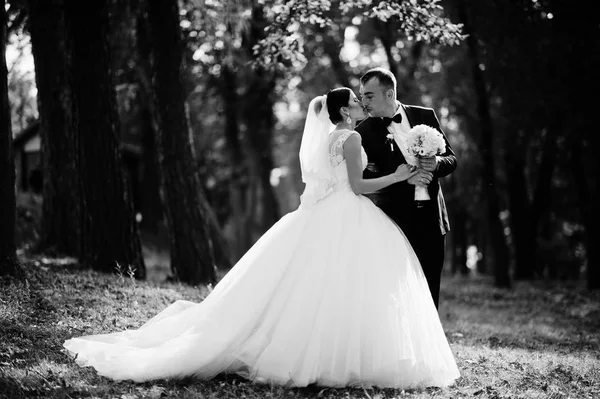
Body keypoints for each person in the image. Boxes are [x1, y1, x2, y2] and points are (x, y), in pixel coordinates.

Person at [63, 88, 460, 389]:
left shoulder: (328, 139)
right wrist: (399, 176)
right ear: (344, 111)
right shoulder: (352, 138)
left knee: (315, 284)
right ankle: (340, 355)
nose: (362, 105)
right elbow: (357, 186)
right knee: (343, 283)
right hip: (348, 211)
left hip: (324, 212)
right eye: (356, 101)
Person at [356, 68, 457, 309]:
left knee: (431, 279)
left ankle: (429, 345)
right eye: (361, 96)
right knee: (397, 286)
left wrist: (436, 163)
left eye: (369, 95)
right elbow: (363, 177)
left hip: (432, 216)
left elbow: (451, 159)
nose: (363, 102)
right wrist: (401, 179)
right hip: (395, 220)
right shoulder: (363, 133)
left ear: (389, 93)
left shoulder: (425, 115)